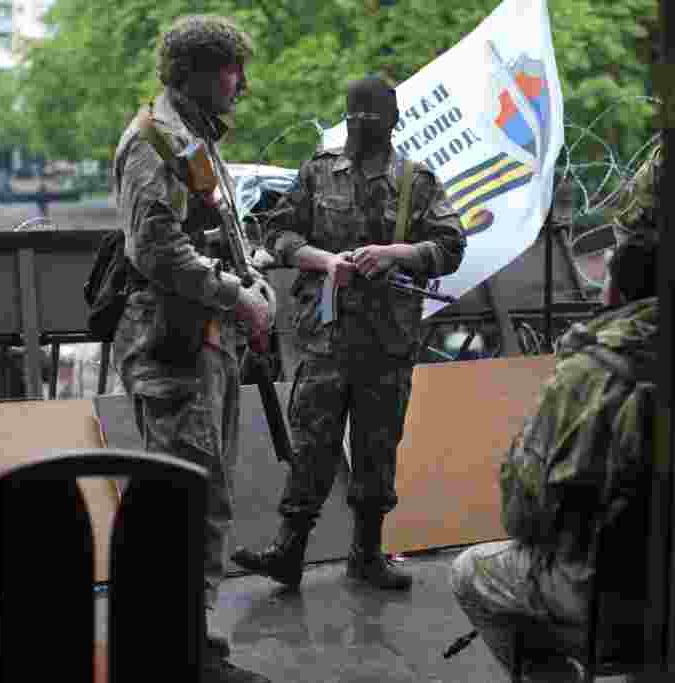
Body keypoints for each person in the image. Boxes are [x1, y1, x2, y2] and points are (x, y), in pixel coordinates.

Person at [231, 75, 467, 591]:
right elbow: (280, 234)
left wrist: (395, 254)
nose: (361, 128)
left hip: (387, 338)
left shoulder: (416, 181)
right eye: (354, 118)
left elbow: (451, 246)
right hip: (326, 335)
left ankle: (367, 554)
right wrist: (322, 260)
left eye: (372, 119)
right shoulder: (317, 173)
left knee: (376, 446)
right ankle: (288, 551)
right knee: (311, 443)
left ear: (392, 121)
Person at [110, 14, 274, 683]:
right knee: (184, 502)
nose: (242, 82)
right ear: (200, 72)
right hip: (174, 351)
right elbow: (155, 250)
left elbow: (207, 232)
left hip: (201, 345)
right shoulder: (156, 141)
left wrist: (250, 275)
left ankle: (191, 641)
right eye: (232, 68)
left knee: (204, 498)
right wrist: (237, 297)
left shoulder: (191, 137)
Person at [449, 234, 659, 676]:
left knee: (471, 571)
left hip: (611, 603)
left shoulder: (588, 372)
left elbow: (524, 514)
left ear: (615, 293)